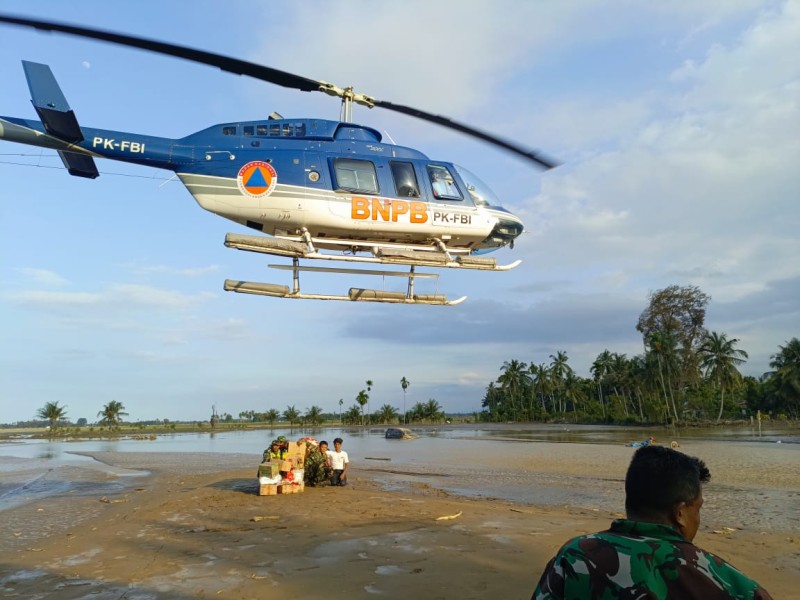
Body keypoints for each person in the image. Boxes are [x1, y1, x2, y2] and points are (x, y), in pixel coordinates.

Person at [532, 445, 773, 600]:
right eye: (698, 507)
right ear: (680, 512)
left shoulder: (576, 554)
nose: (698, 518)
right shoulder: (717, 575)